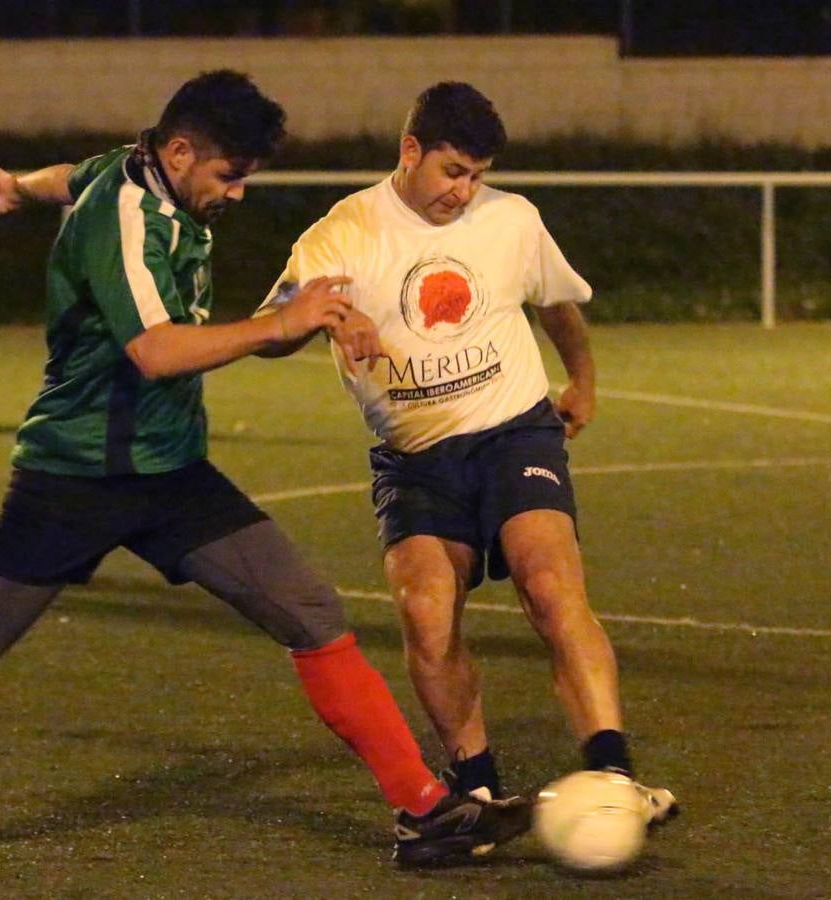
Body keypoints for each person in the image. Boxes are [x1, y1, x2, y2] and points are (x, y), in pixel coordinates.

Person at [0, 70, 528, 868]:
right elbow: (154, 352)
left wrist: (16, 186)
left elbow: (68, 175)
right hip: (75, 475)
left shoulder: (136, 164)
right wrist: (275, 326)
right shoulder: (123, 213)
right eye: (229, 176)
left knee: (311, 611)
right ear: (182, 152)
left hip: (168, 472)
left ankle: (422, 810)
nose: (237, 195)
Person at [258, 82, 677, 825]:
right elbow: (273, 327)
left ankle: (613, 777)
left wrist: (581, 378)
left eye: (478, 176)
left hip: (515, 433)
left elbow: (556, 303)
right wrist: (329, 315)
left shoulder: (511, 220)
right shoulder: (343, 232)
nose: (466, 191)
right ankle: (478, 788)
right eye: (454, 171)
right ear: (411, 150)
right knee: (426, 611)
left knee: (548, 583)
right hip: (416, 459)